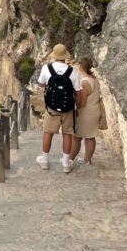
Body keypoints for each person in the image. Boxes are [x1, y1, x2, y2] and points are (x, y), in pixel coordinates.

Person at [36, 43, 83, 173]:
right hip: (68, 108)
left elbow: (41, 83)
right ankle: (66, 163)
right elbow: (78, 93)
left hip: (52, 108)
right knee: (67, 134)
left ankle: (44, 160)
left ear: (54, 56)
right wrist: (77, 108)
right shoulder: (73, 71)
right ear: (65, 56)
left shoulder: (47, 68)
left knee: (48, 132)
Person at [70, 57, 102, 166]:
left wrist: (75, 109)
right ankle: (87, 160)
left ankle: (70, 159)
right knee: (90, 137)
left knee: (76, 137)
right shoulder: (94, 79)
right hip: (94, 111)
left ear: (80, 67)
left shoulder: (84, 82)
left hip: (85, 114)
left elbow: (82, 101)